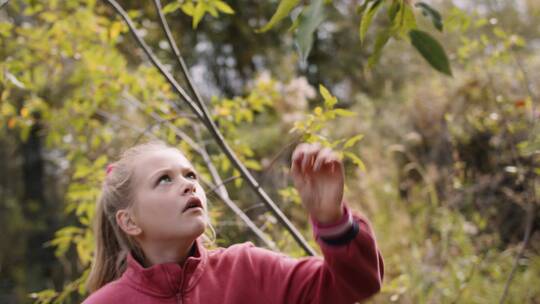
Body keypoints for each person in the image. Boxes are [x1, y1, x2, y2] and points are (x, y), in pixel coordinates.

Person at [83, 141, 384, 304]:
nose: (188, 185)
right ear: (129, 221)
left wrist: (333, 221)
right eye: (164, 179)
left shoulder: (249, 269)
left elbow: (355, 286)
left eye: (190, 175)